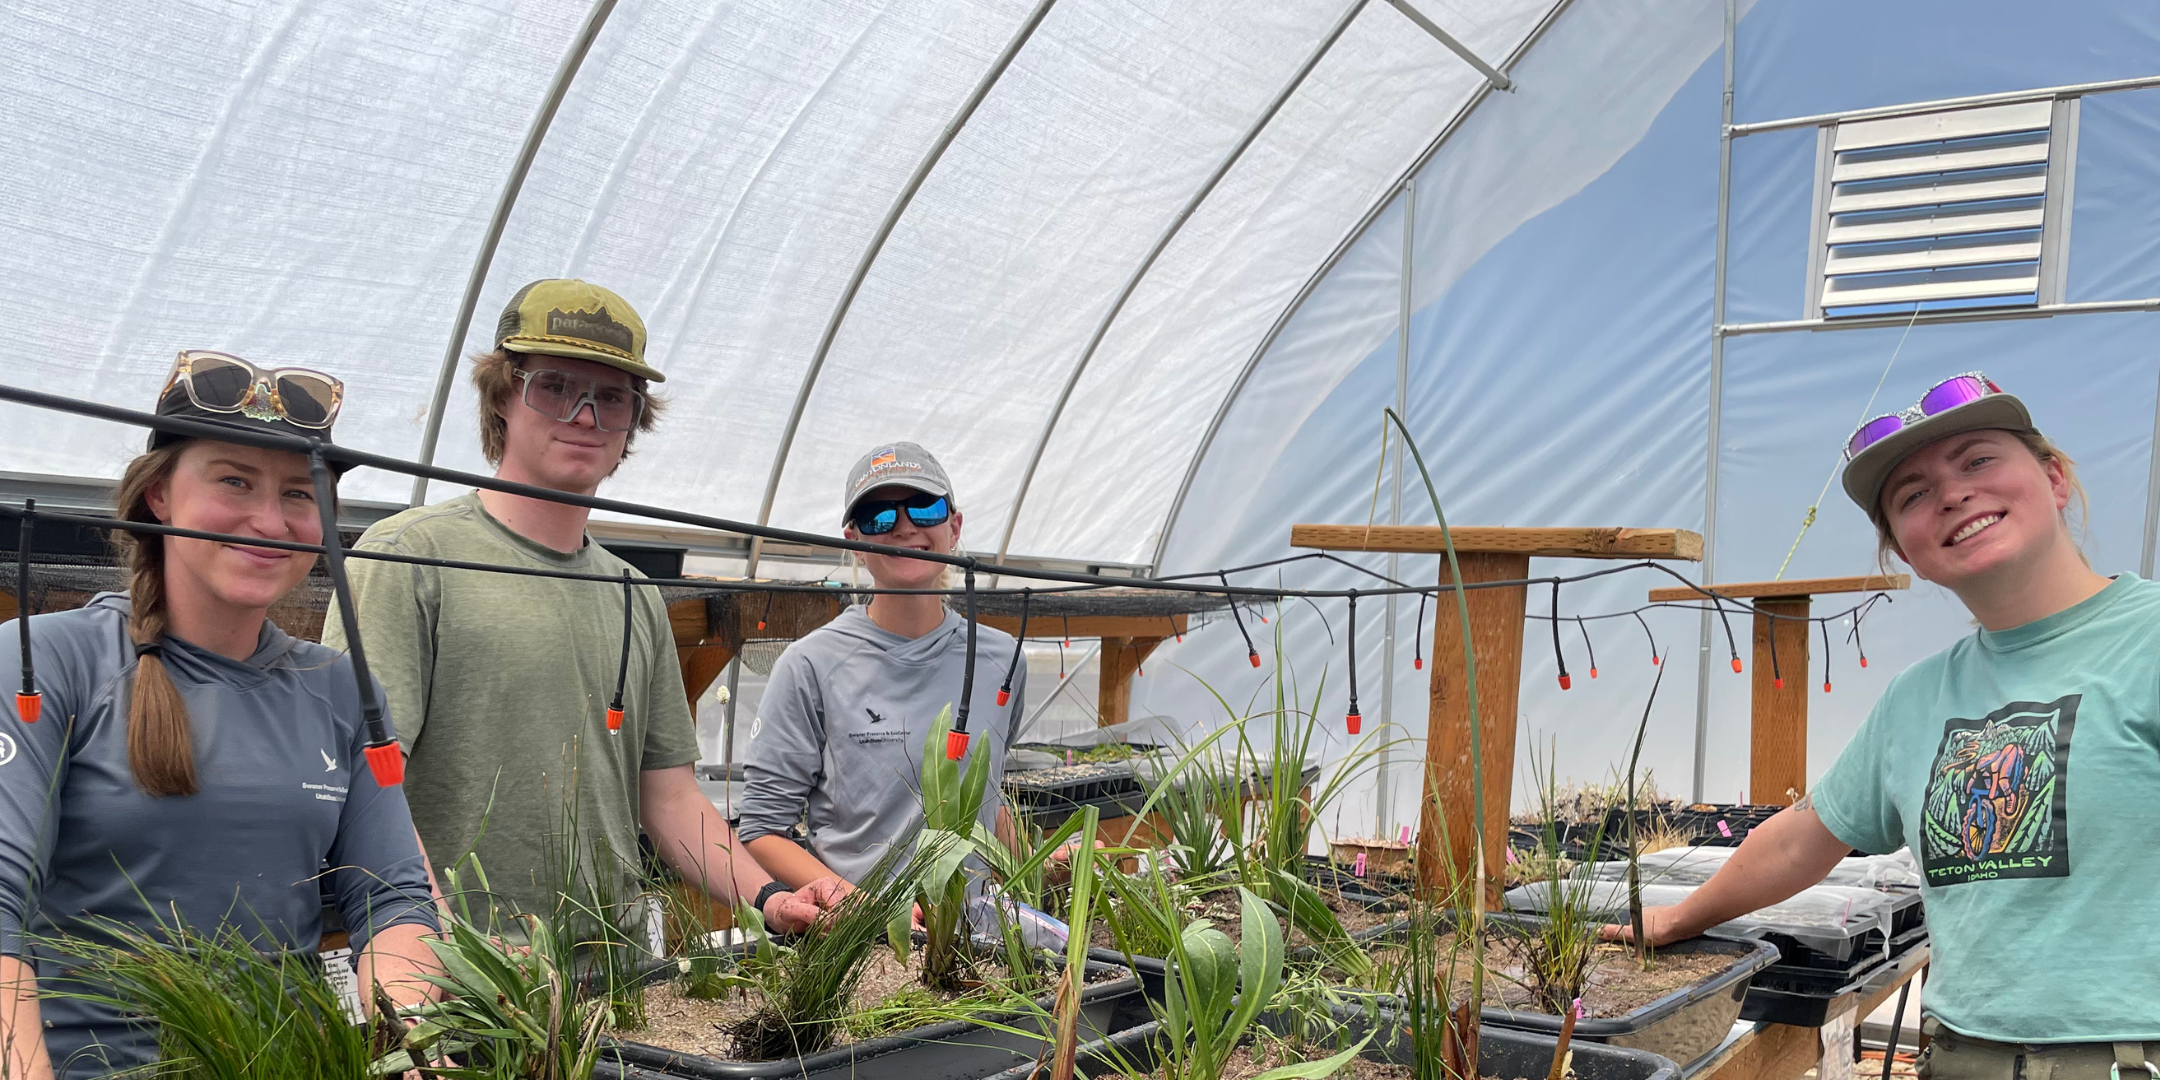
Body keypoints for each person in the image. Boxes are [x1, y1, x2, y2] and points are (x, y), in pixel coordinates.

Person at [1614, 373, 2160, 1076]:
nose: (1953, 493)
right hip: (1964, 1054)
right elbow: (1802, 839)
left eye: (1978, 460)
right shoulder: (1921, 696)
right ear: (1905, 551)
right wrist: (1677, 918)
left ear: (2054, 478)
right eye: (1913, 495)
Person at [325, 280, 829, 933]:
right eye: (556, 386)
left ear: (633, 420)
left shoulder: (634, 597)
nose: (586, 416)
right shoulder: (408, 557)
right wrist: (442, 951)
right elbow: (367, 785)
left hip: (611, 981)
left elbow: (669, 797)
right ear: (504, 394)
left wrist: (767, 898)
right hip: (457, 988)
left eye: (613, 397)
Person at [0, 351, 439, 1079]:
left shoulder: (338, 686)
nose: (269, 520)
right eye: (233, 480)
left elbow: (391, 899)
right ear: (160, 496)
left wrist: (422, 1046)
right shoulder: (48, 661)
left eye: (300, 494)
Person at [739, 442, 1026, 890]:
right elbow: (761, 829)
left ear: (954, 526)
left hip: (978, 941)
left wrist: (1035, 864)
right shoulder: (811, 665)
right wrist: (855, 908)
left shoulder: (1001, 659)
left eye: (925, 508)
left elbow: (986, 798)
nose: (905, 527)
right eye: (880, 517)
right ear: (854, 543)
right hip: (863, 944)